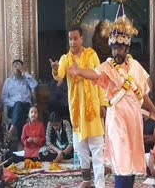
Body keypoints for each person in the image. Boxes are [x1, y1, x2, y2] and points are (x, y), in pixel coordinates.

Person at [67, 0, 155, 187]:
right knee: (121, 160)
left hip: (134, 120)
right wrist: (79, 71)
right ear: (111, 47)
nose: (118, 50)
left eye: (122, 47)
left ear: (127, 47)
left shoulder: (136, 67)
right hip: (117, 121)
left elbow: (144, 94)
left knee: (132, 161)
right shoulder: (107, 67)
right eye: (115, 47)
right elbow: (94, 74)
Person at [49, 25, 106, 188]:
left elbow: (100, 79)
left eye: (75, 38)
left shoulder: (92, 54)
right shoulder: (65, 58)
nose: (72, 42)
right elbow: (59, 77)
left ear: (81, 39)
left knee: (97, 147)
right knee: (80, 148)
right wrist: (54, 70)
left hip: (93, 108)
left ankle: (100, 183)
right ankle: (87, 180)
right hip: (77, 110)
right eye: (70, 39)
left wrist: (102, 103)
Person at [2, 59, 38, 139]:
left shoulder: (26, 80)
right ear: (12, 68)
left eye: (19, 66)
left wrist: (25, 72)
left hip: (26, 107)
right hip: (13, 109)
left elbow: (34, 84)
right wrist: (15, 104)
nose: (17, 68)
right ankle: (22, 139)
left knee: (20, 108)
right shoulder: (8, 81)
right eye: (15, 66)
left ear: (22, 68)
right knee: (18, 105)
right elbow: (4, 98)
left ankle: (13, 128)